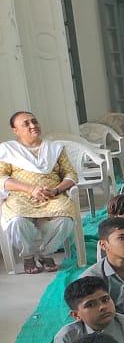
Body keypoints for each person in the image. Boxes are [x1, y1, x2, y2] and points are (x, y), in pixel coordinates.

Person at [0, 111, 78, 274]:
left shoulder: (54, 148)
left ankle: (45, 253)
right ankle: (28, 256)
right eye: (26, 124)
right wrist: (30, 189)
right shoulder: (8, 150)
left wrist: (56, 189)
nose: (33, 125)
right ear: (15, 130)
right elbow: (2, 178)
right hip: (21, 196)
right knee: (16, 221)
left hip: (52, 196)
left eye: (34, 121)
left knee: (66, 219)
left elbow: (71, 174)